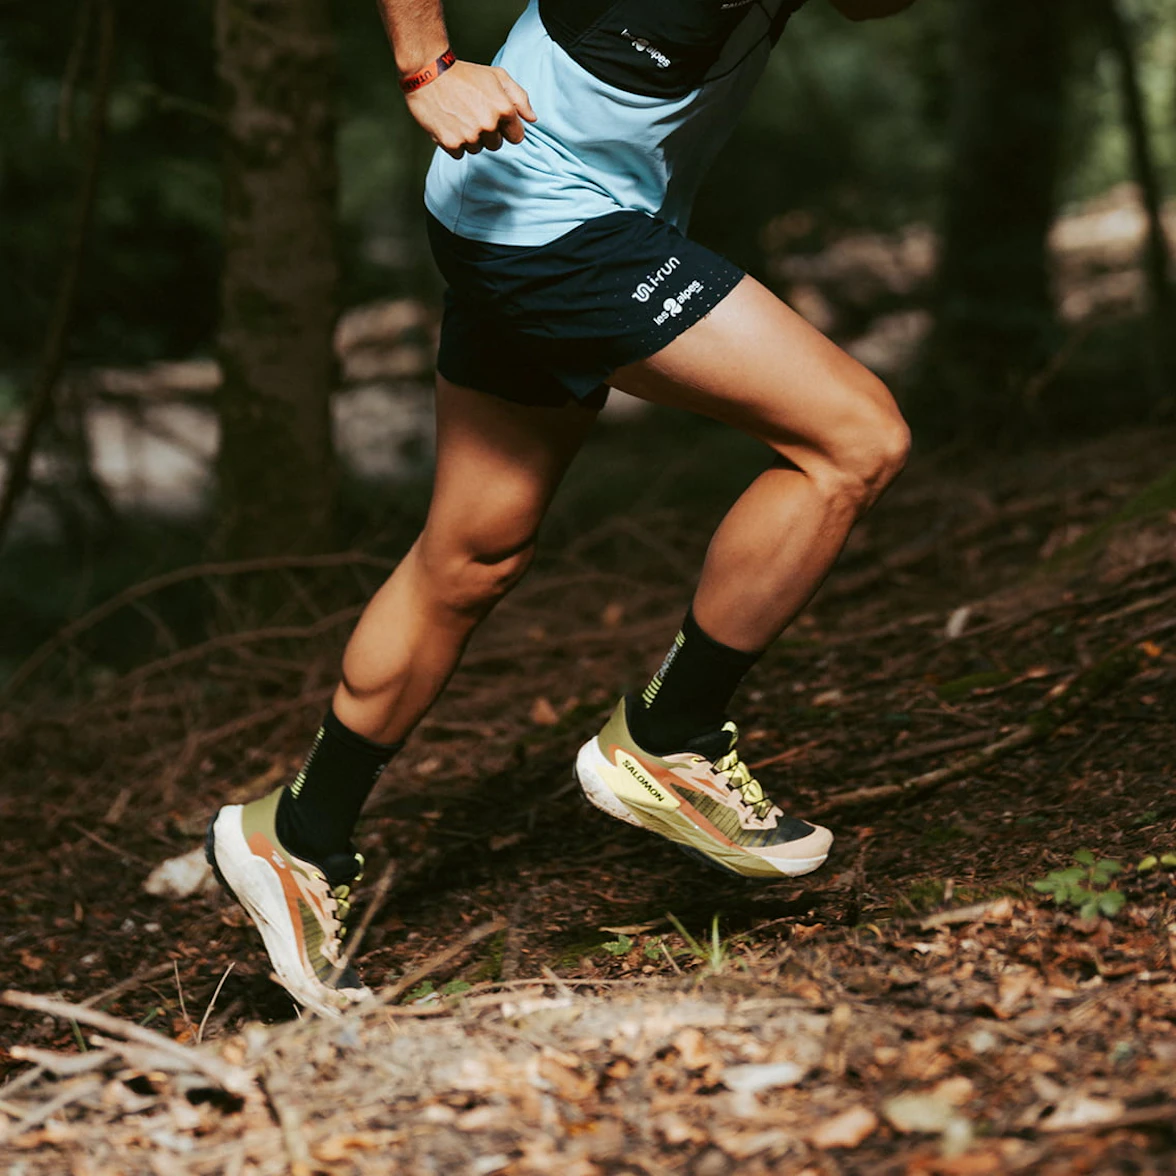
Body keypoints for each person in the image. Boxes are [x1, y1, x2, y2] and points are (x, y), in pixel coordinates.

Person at [205, 0, 916, 1017]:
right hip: (548, 219)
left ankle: (298, 836)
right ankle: (671, 738)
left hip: (531, 206)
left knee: (474, 552)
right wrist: (425, 65)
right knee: (853, 439)